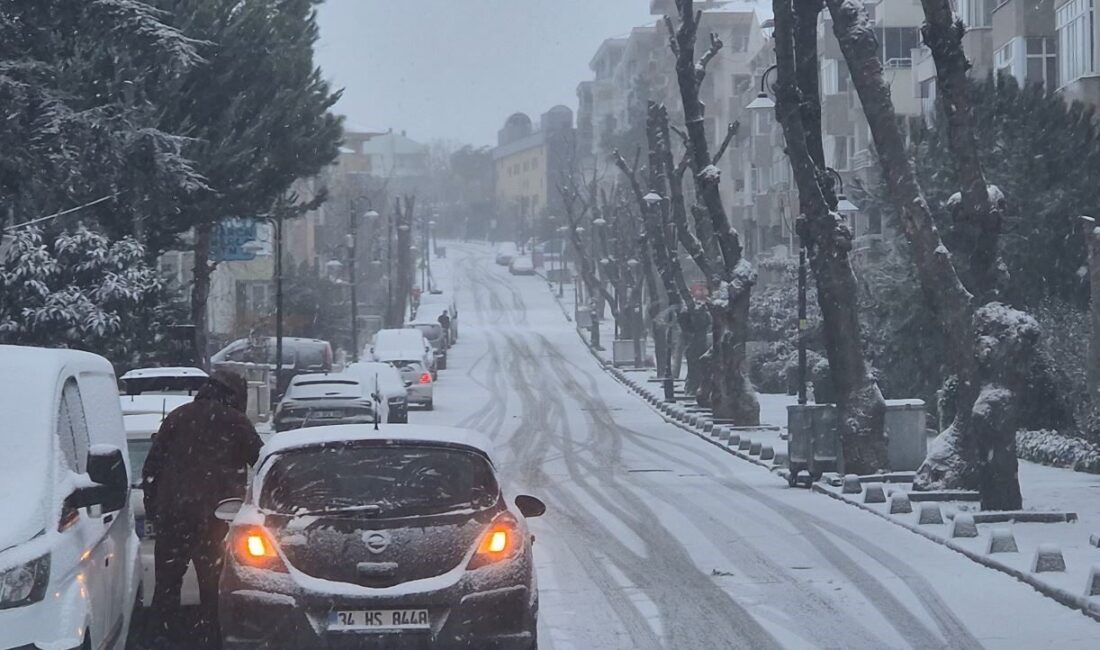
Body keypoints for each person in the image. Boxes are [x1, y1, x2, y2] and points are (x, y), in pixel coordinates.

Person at [142, 369, 263, 648]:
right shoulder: (237, 423)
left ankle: (163, 638)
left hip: (173, 518)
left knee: (167, 588)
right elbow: (262, 463)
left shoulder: (178, 416)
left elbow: (152, 468)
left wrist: (156, 510)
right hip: (216, 520)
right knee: (214, 590)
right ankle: (211, 639)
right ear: (234, 395)